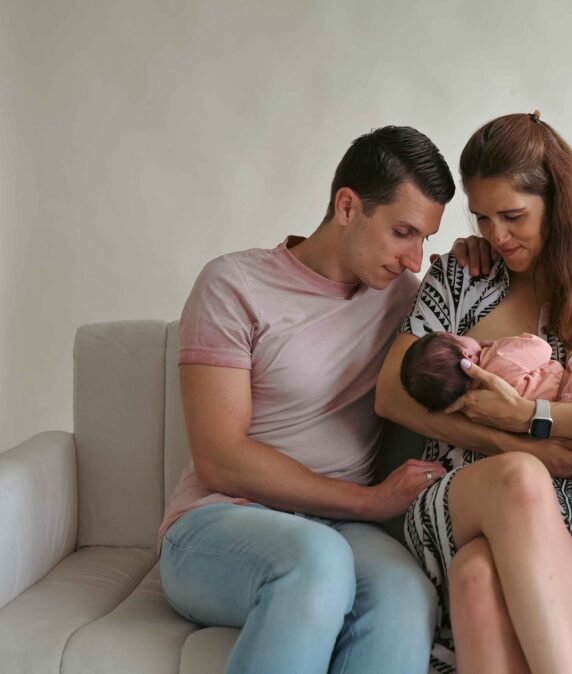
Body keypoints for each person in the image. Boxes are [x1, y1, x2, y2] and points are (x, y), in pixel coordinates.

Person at [376, 111, 572, 674]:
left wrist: (533, 416)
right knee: (519, 476)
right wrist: (521, 445)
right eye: (483, 217)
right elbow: (391, 396)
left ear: (557, 203)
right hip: (457, 501)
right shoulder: (458, 279)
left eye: (513, 215)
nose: (496, 235)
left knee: (476, 578)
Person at [158, 125, 456, 674]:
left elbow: (492, 323)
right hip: (221, 523)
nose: (415, 258)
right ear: (347, 206)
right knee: (316, 562)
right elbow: (219, 457)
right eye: (403, 231)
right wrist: (368, 502)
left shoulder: (406, 299)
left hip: (338, 532)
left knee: (406, 594)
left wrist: (482, 252)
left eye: (426, 240)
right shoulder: (233, 285)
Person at [399, 330, 572, 463]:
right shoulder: (497, 356)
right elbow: (541, 349)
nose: (467, 336)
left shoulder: (479, 406)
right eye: (460, 337)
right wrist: (505, 341)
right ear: (467, 357)